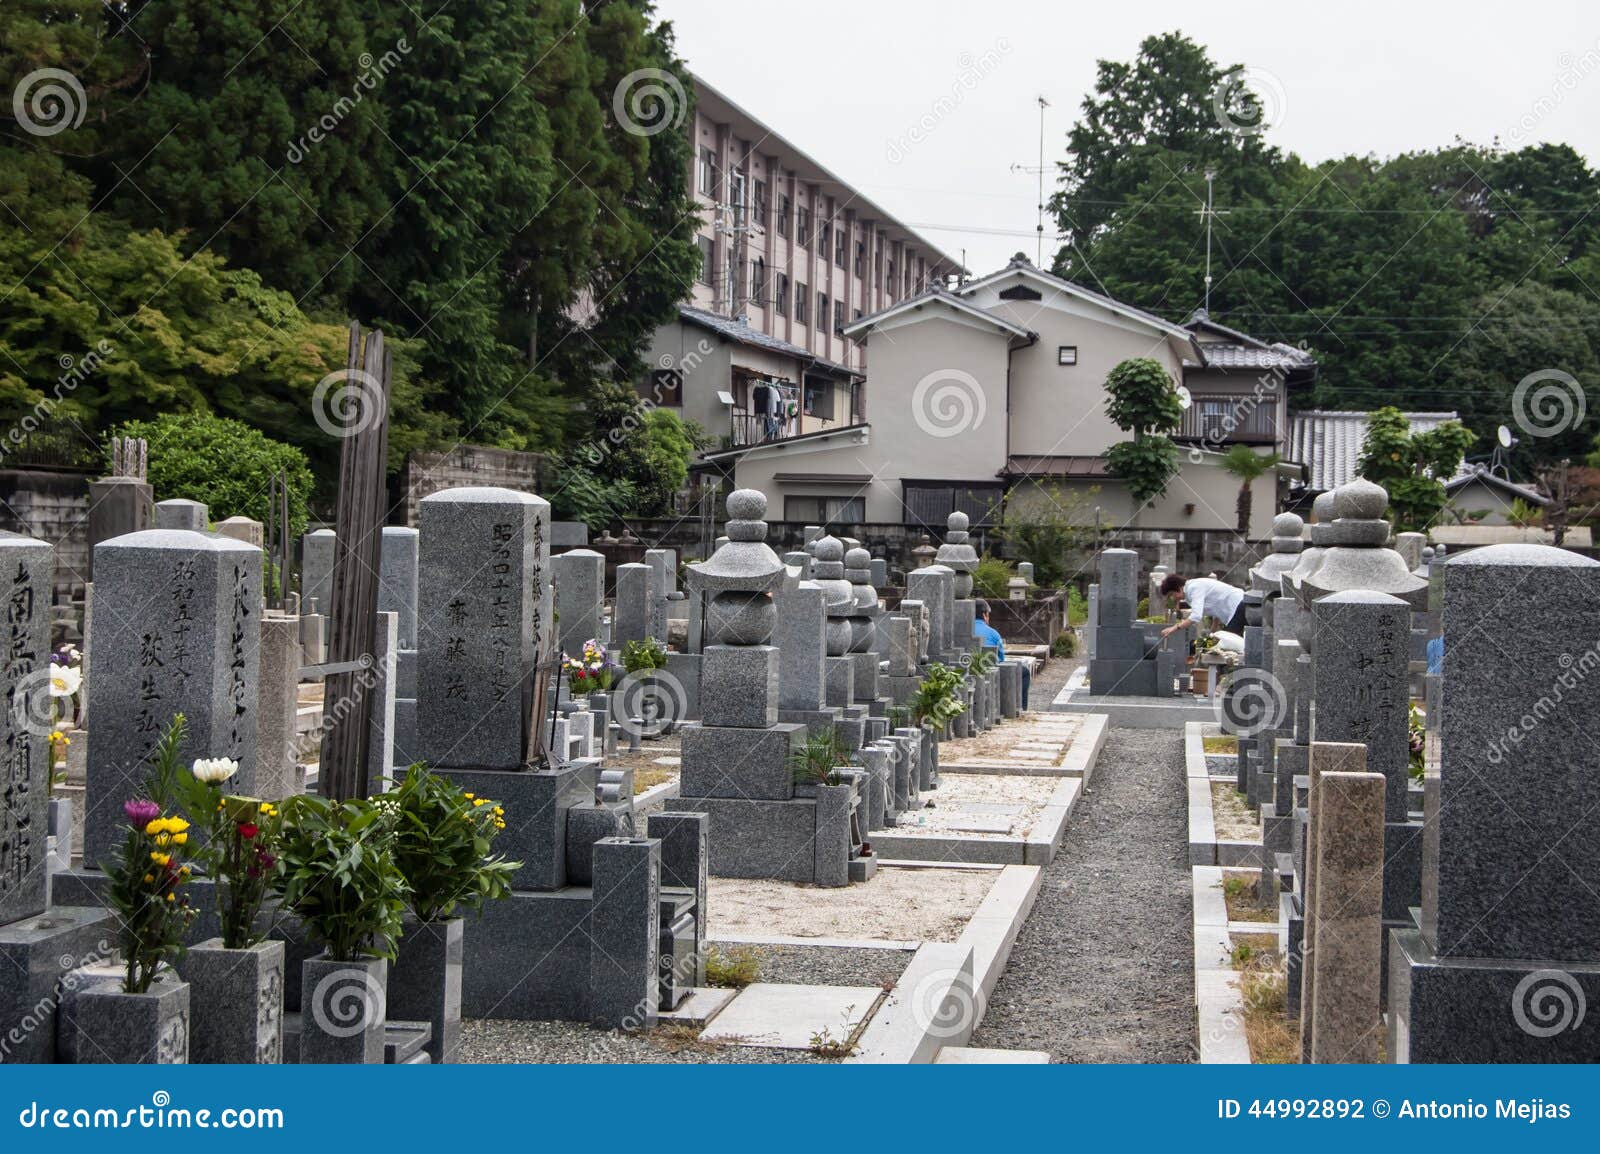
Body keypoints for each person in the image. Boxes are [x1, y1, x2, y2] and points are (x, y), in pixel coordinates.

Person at [974, 599, 1029, 708]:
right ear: (985, 615)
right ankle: (1021, 707)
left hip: (967, 672)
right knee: (1025, 672)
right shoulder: (993, 634)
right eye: (988, 615)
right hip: (989, 672)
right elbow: (1000, 659)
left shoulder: (961, 630)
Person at [1158, 572, 1247, 639]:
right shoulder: (1190, 592)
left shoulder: (1194, 588)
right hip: (1236, 608)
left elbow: (1196, 616)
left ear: (1178, 588)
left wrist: (1173, 628)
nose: (1173, 598)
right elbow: (1215, 605)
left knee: (1228, 644)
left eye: (1172, 594)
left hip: (1237, 605)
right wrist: (1213, 630)